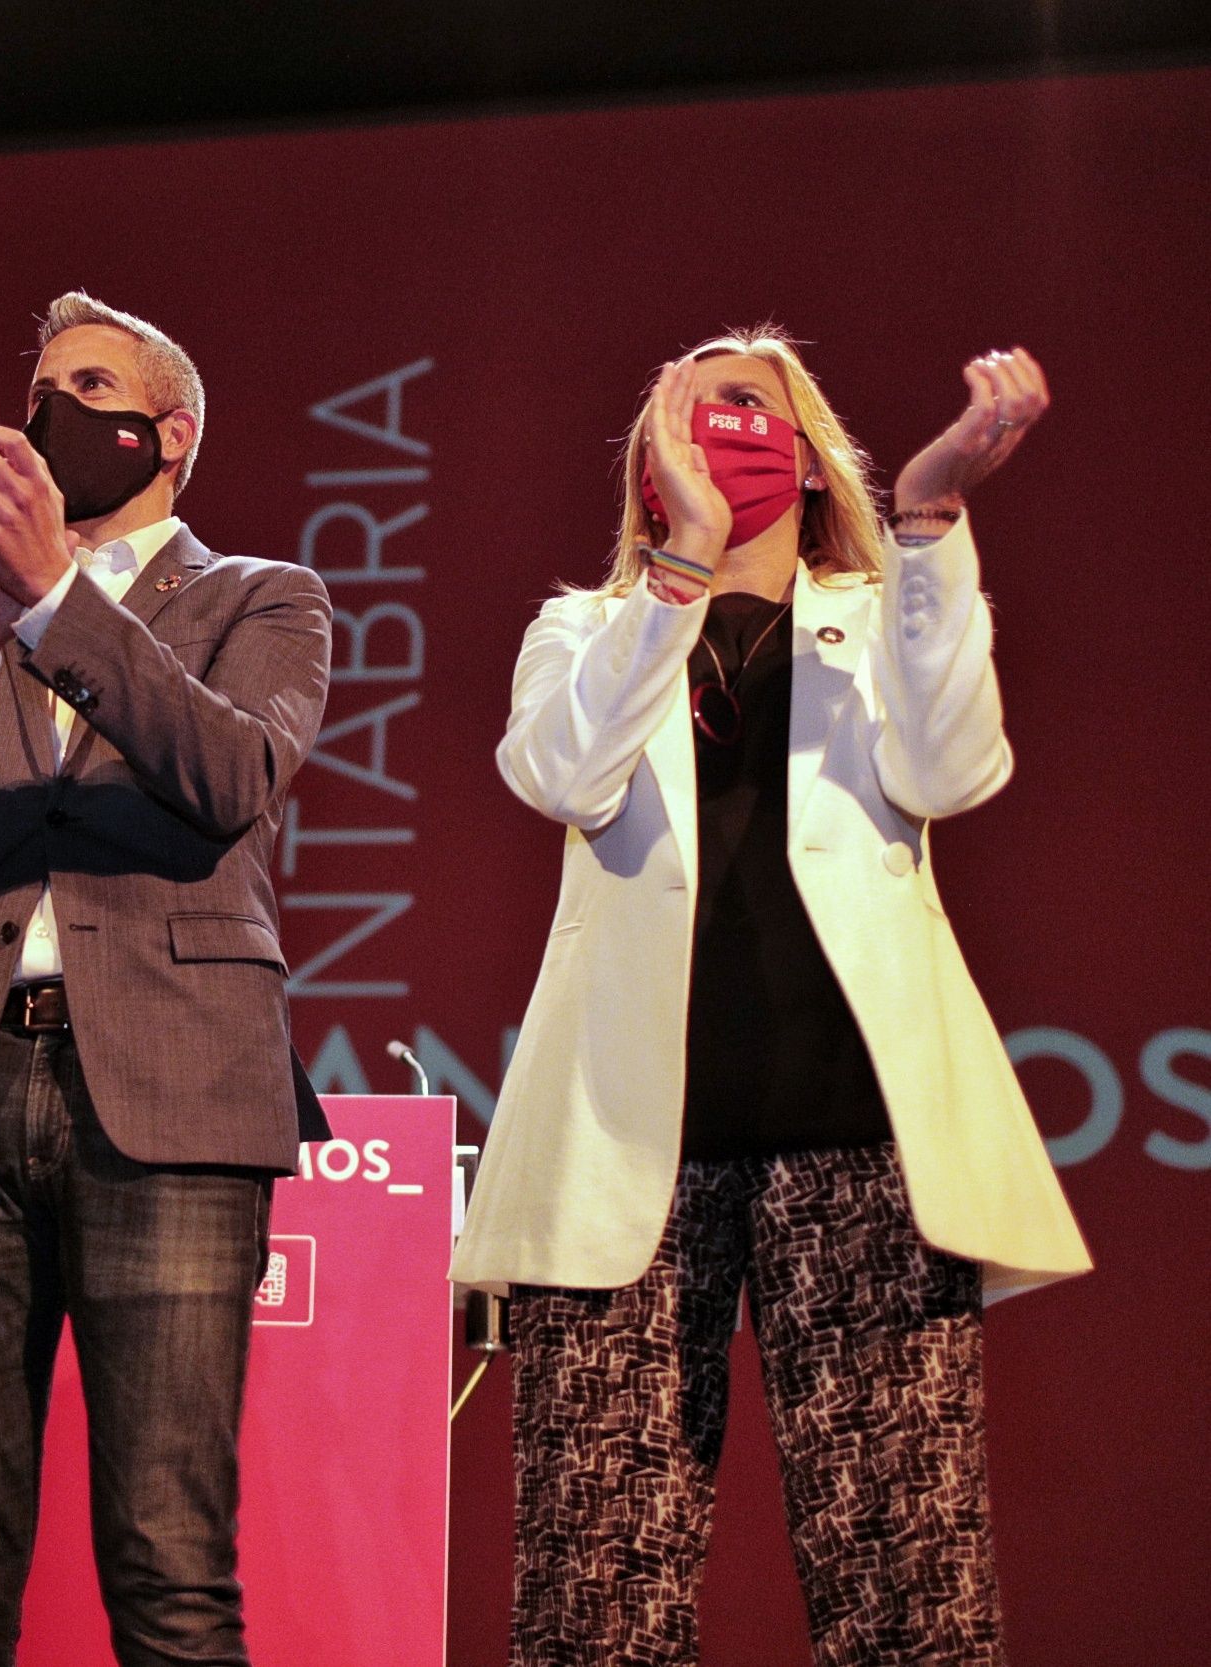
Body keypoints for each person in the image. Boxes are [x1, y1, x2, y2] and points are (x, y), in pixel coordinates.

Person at [451, 331, 1092, 1666]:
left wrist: (929, 518)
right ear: (648, 467)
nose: (710, 427)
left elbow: (952, 768)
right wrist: (677, 572)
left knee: (907, 1589)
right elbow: (562, 775)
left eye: (742, 404)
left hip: (857, 1146)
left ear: (802, 458)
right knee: (595, 1602)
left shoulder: (885, 612)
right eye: (679, 413)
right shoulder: (584, 629)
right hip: (619, 1155)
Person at [0, 293, 334, 1665]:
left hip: (169, 1092)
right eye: (38, 391)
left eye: (90, 389)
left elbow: (228, 773)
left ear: (168, 435)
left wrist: (59, 599)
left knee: (169, 1564)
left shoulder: (263, 597)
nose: (52, 414)